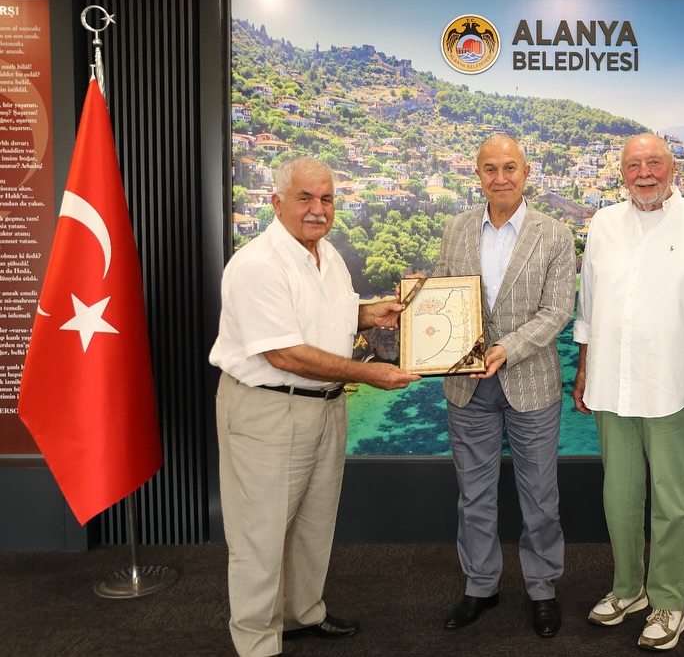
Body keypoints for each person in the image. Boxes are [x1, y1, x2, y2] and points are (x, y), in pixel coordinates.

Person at [209, 157, 420, 657]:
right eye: (304, 198)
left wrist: (370, 315)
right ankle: (258, 643)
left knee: (312, 524)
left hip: (326, 406)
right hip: (269, 410)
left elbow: (329, 320)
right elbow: (284, 354)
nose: (317, 209)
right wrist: (371, 373)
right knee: (259, 535)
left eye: (326, 199)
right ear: (277, 202)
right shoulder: (258, 265)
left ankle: (301, 614)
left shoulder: (329, 256)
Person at [573, 133, 684, 651]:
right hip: (610, 382)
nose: (644, 173)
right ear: (622, 172)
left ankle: (669, 602)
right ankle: (629, 590)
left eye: (654, 163)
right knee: (618, 497)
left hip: (671, 384)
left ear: (673, 168)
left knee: (671, 500)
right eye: (633, 165)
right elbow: (588, 305)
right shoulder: (603, 223)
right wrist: (583, 369)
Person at [434, 133, 576, 638]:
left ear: (526, 172)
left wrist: (507, 348)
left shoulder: (555, 234)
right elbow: (443, 295)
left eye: (509, 167)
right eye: (490, 168)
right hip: (467, 386)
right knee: (474, 495)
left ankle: (542, 589)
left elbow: (557, 311)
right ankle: (480, 586)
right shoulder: (456, 228)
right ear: (477, 174)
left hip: (530, 382)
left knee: (539, 496)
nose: (500, 177)